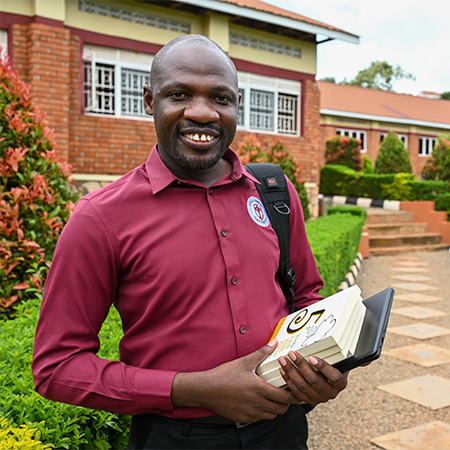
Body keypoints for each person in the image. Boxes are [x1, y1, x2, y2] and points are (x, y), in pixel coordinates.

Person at [32, 34, 349, 449]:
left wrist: (325, 365)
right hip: (175, 438)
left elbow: (306, 296)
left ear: (237, 106)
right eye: (179, 94)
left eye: (220, 98)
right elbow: (57, 368)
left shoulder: (273, 191)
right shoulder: (100, 217)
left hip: (283, 429)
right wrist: (192, 389)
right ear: (149, 101)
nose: (202, 113)